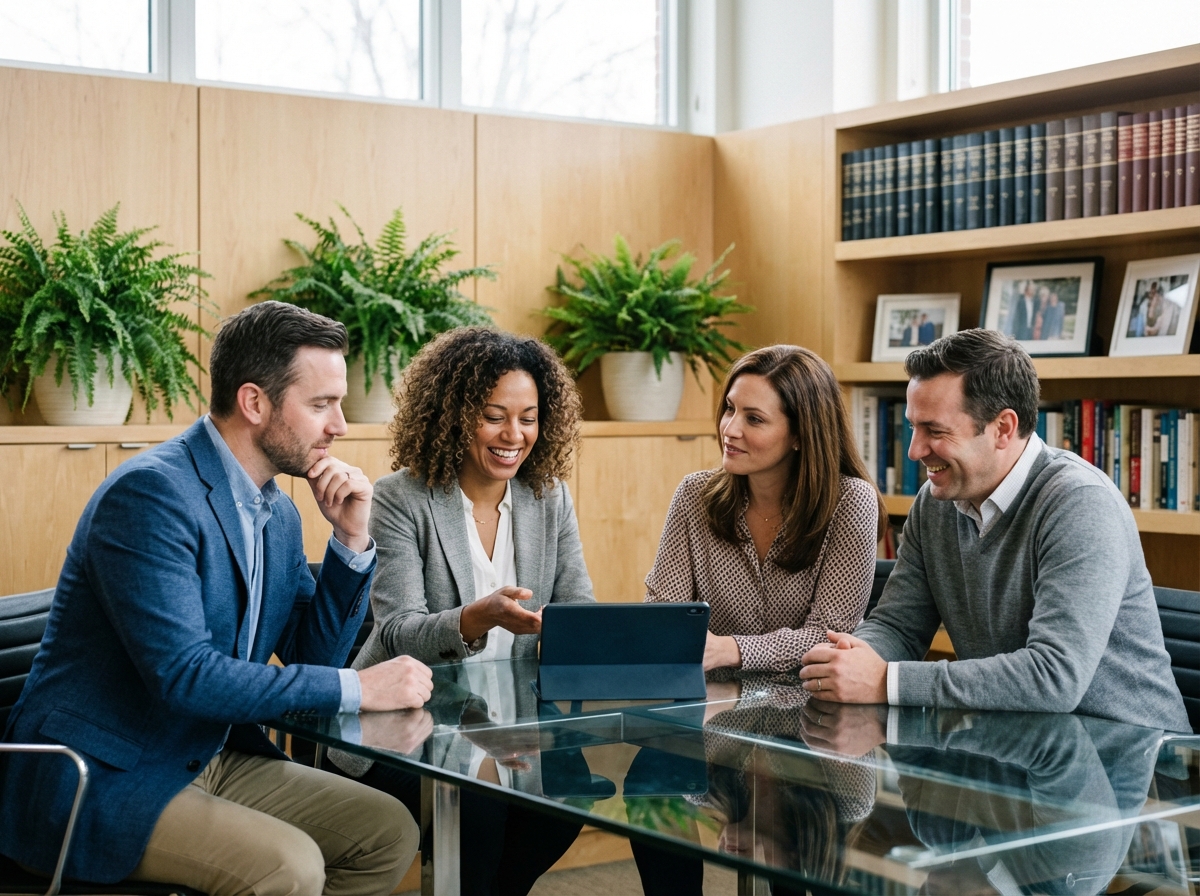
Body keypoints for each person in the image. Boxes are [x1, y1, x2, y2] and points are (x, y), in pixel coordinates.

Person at [0, 301, 434, 895]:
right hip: (104, 775)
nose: (340, 425)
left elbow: (316, 652)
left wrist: (350, 541)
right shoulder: (151, 496)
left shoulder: (275, 508)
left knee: (386, 830)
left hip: (206, 753)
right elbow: (186, 676)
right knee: (290, 865)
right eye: (320, 404)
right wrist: (362, 689)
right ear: (255, 402)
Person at [798, 329, 1189, 734]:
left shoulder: (1080, 502)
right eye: (913, 427)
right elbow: (898, 626)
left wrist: (885, 681)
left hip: (1139, 765)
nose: (915, 450)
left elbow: (1054, 677)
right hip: (1021, 748)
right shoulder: (934, 504)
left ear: (1003, 428)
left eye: (935, 431)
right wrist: (851, 658)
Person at [324, 326, 595, 896]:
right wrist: (479, 618)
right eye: (494, 415)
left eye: (528, 417)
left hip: (511, 717)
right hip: (409, 721)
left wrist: (578, 632)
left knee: (571, 793)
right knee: (483, 807)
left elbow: (579, 609)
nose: (513, 435)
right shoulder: (402, 497)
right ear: (453, 414)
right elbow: (398, 629)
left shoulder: (550, 499)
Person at [644, 344, 886, 674]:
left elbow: (829, 637)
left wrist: (731, 649)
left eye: (754, 419)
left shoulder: (851, 502)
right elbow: (662, 615)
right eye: (730, 409)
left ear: (801, 434)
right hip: (708, 705)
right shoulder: (694, 495)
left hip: (811, 709)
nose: (729, 429)